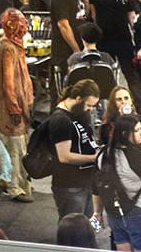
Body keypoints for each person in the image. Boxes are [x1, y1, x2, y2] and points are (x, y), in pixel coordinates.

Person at [93, 114, 141, 252]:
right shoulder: (136, 156)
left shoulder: (104, 153)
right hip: (139, 212)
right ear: (125, 133)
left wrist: (97, 213)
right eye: (137, 130)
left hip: (114, 213)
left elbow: (96, 188)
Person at [0, 8, 35, 202]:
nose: (24, 26)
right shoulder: (8, 48)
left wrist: (29, 99)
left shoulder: (16, 46)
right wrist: (13, 107)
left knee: (21, 147)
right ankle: (15, 187)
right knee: (15, 148)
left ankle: (23, 183)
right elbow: (8, 82)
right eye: (21, 22)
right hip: (12, 108)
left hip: (21, 104)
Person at [85, 0, 139, 107]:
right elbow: (91, 10)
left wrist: (137, 38)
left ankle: (139, 107)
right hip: (103, 41)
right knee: (103, 76)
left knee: (132, 75)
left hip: (123, 40)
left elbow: (131, 15)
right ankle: (104, 108)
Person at [49, 79, 101, 220]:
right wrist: (93, 158)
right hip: (70, 186)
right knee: (73, 226)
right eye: (89, 105)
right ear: (78, 99)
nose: (90, 109)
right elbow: (64, 156)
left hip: (85, 182)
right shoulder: (61, 120)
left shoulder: (76, 114)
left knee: (87, 225)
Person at [50, 0, 91, 94]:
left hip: (80, 48)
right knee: (66, 90)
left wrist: (86, 1)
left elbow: (85, 16)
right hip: (65, 51)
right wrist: (76, 50)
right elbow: (63, 25)